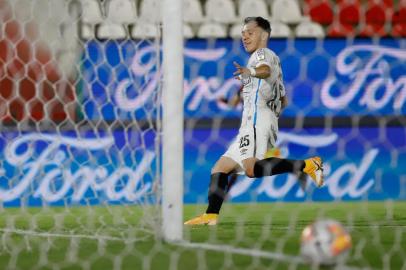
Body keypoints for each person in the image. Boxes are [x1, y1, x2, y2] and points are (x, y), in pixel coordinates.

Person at [184, 17, 323, 226]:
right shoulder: (272, 60)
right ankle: (210, 216)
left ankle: (308, 165)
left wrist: (251, 74)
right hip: (254, 120)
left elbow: (264, 70)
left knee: (250, 169)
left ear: (264, 35)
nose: (245, 36)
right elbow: (283, 99)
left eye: (250, 32)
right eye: (243, 33)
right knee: (220, 168)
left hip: (257, 118)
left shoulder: (262, 54)